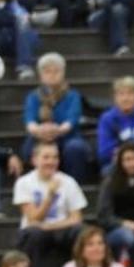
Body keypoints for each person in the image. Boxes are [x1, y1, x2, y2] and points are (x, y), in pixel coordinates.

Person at [14, 141, 86, 267]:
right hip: (35, 232)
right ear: (34, 160)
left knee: (81, 231)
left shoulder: (68, 181)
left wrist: (49, 226)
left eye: (55, 157)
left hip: (61, 229)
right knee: (34, 233)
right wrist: (50, 195)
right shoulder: (23, 182)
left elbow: (76, 218)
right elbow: (33, 219)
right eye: (46, 157)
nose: (51, 162)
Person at [22, 52, 91, 182]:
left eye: (56, 71)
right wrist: (39, 131)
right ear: (41, 75)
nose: (52, 75)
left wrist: (57, 130)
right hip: (40, 136)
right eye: (47, 71)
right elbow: (29, 120)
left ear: (63, 73)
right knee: (29, 149)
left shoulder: (73, 95)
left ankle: (75, 187)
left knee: (76, 148)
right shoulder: (33, 96)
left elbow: (73, 118)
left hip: (67, 136)